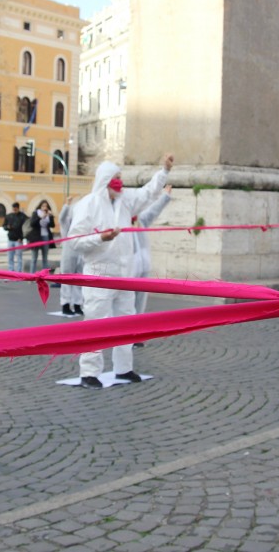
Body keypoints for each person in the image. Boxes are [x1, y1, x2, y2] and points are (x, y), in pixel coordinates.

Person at [69, 155, 173, 388]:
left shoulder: (125, 201)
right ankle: (89, 372)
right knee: (95, 322)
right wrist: (100, 238)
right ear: (106, 179)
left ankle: (124, 368)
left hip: (124, 273)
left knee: (126, 322)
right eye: (116, 178)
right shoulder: (88, 204)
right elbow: (75, 240)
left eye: (120, 178)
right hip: (99, 272)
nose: (120, 182)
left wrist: (163, 171)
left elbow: (147, 193)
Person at [132, 186, 173, 316]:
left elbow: (152, 211)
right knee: (125, 308)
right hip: (127, 272)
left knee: (139, 308)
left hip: (143, 270)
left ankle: (136, 328)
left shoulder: (140, 220)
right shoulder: (119, 222)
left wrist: (165, 196)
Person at [58, 196, 84, 316]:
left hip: (80, 254)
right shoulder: (66, 225)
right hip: (68, 254)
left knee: (79, 280)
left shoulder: (82, 226)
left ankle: (77, 304)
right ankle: (66, 304)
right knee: (67, 279)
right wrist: (67, 205)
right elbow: (61, 218)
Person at [27, 200, 56, 273]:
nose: (44, 207)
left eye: (46, 206)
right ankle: (32, 276)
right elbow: (32, 223)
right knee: (34, 258)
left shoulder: (48, 215)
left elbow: (53, 225)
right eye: (43, 206)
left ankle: (45, 276)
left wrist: (51, 216)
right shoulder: (36, 213)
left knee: (45, 258)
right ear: (40, 206)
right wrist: (41, 217)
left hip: (46, 236)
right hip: (36, 237)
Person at [3, 202, 27, 272]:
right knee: (10, 257)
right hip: (10, 239)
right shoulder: (9, 216)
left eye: (16, 209)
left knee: (19, 257)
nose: (14, 210)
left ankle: (19, 272)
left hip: (18, 240)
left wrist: (22, 238)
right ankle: (11, 271)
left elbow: (25, 228)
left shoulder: (23, 216)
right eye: (13, 209)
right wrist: (8, 227)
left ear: (18, 208)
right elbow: (4, 226)